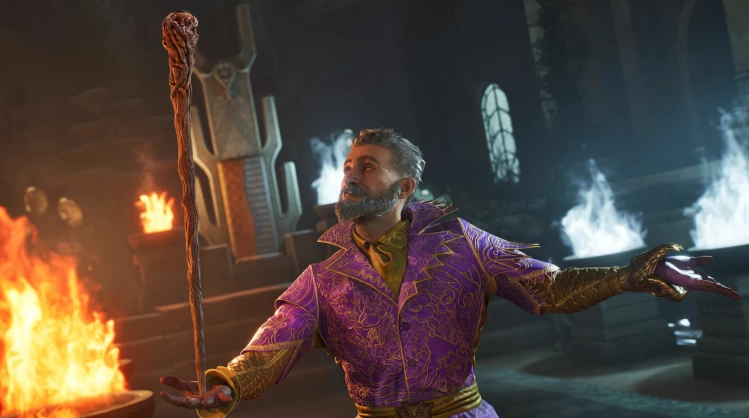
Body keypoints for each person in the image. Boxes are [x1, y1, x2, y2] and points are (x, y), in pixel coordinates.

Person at [160, 128, 739, 418]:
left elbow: (550, 286)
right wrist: (226, 384)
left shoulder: (463, 244)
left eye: (368, 167)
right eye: (348, 166)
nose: (350, 176)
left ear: (405, 187)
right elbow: (271, 347)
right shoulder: (322, 281)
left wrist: (629, 275)